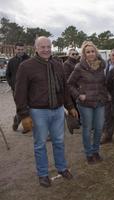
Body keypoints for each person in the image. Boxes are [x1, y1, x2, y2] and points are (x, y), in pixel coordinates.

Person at [14, 36, 78, 187]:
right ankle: (43, 174)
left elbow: (64, 88)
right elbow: (20, 92)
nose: (46, 49)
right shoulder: (26, 66)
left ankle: (62, 168)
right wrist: (24, 115)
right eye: (42, 47)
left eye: (48, 46)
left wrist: (70, 106)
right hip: (38, 112)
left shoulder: (58, 65)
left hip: (57, 111)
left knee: (59, 141)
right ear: (36, 48)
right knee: (40, 144)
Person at [68, 41, 108, 164]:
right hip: (85, 104)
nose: (91, 54)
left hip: (99, 101)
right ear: (84, 54)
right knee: (87, 128)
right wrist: (79, 95)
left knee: (99, 127)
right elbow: (69, 84)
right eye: (88, 52)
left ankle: (96, 151)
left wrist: (106, 94)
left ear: (96, 52)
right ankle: (89, 153)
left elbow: (103, 83)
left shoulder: (102, 65)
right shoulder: (79, 67)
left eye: (92, 51)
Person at [6, 42, 30, 133]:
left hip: (28, 89)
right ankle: (16, 120)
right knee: (20, 107)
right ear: (15, 50)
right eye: (18, 49)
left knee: (28, 107)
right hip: (16, 90)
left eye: (22, 49)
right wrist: (12, 85)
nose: (20, 51)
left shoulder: (29, 60)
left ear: (25, 49)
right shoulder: (11, 61)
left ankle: (26, 126)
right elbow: (8, 75)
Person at [101, 48, 114, 144]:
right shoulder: (105, 66)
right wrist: (107, 93)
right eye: (113, 55)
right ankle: (107, 135)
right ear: (109, 56)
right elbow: (102, 81)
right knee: (107, 116)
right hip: (107, 95)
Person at [63, 48, 80, 134]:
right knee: (73, 107)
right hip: (71, 89)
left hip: (79, 88)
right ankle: (73, 123)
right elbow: (66, 78)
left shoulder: (78, 63)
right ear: (69, 55)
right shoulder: (66, 64)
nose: (75, 55)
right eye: (73, 54)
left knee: (77, 106)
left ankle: (77, 123)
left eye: (76, 54)